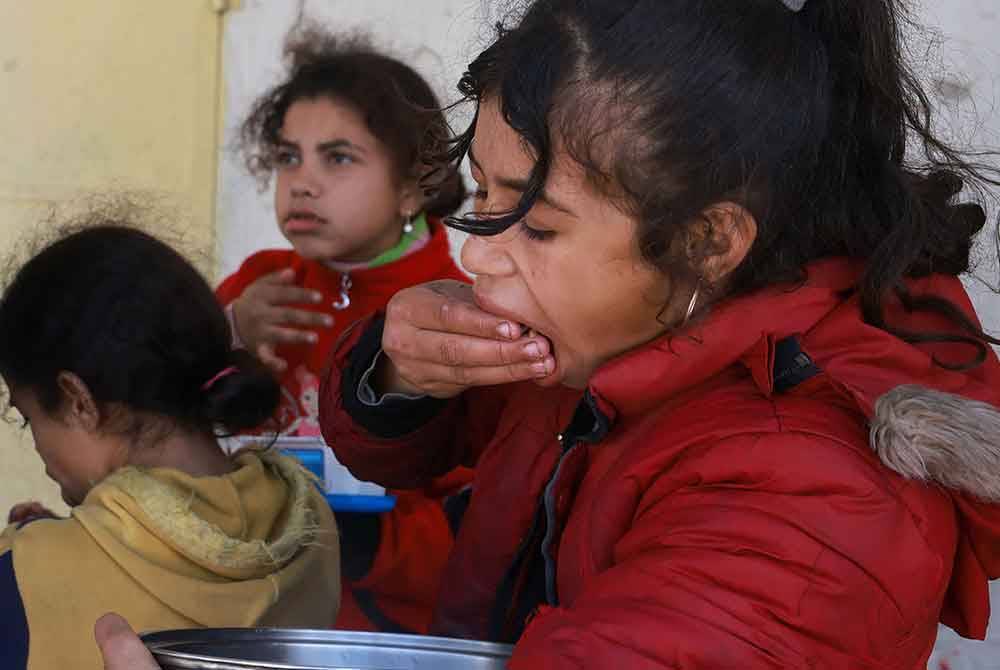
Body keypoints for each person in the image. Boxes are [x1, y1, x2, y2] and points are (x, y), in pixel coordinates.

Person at [316, 0, 1000, 667]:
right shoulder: (606, 340)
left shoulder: (816, 502)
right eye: (485, 197)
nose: (477, 254)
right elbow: (398, 453)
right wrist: (399, 372)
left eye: (540, 225)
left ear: (706, 241)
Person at [215, 26, 472, 633]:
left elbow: (474, 523)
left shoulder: (457, 311)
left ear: (413, 184)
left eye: (339, 157)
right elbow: (172, 408)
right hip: (245, 605)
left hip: (373, 626)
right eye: (287, 156)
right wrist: (229, 333)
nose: (302, 181)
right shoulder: (261, 285)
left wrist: (363, 540)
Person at [0, 222, 340, 670]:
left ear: (78, 401)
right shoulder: (314, 523)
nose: (41, 450)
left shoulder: (24, 575)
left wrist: (43, 545)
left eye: (30, 420)